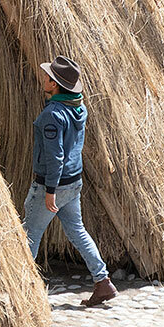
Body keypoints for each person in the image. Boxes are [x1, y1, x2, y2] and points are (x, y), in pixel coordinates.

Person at [23, 55, 118, 307]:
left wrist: (50, 190)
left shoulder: (52, 115)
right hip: (74, 183)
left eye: (48, 77)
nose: (44, 78)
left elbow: (55, 157)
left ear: (54, 84)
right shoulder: (79, 108)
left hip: (51, 184)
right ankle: (103, 281)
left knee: (29, 235)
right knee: (77, 231)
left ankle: (24, 294)